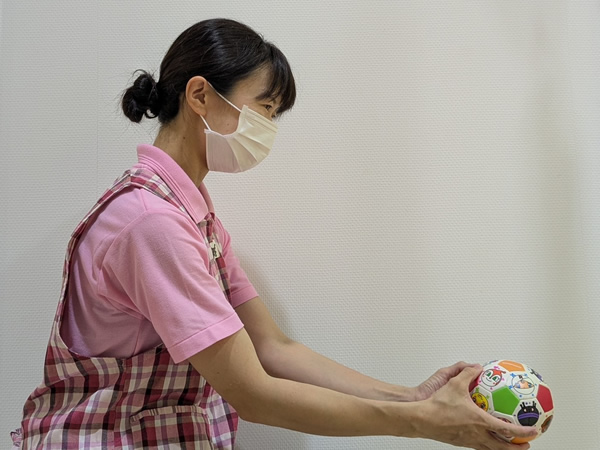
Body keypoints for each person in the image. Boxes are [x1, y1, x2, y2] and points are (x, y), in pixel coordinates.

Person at [12, 18, 538, 450]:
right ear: (200, 95)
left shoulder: (194, 216)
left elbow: (273, 347)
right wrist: (423, 424)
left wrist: (412, 397)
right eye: (265, 109)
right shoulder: (152, 223)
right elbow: (254, 394)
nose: (268, 129)